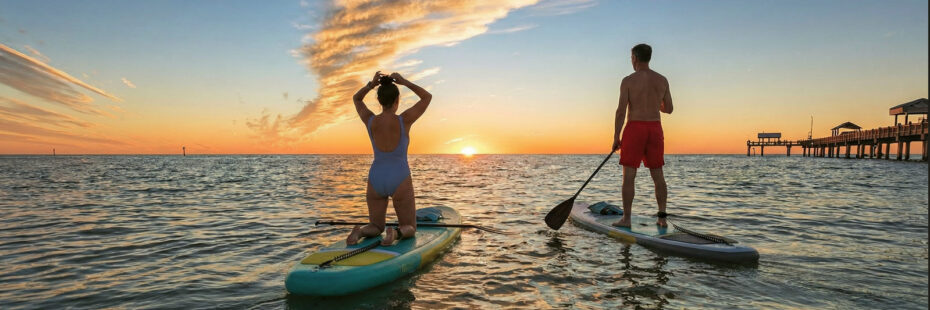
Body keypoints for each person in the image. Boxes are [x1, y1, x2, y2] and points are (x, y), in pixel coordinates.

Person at [346, 71, 432, 246]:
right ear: (397, 100)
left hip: (376, 176)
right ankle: (396, 233)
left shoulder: (370, 120)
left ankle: (360, 231)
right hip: (399, 175)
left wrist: (371, 84)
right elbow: (426, 97)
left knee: (376, 226)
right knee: (410, 226)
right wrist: (405, 82)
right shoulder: (404, 119)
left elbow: (357, 99)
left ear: (379, 101)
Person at [611, 44, 674, 228]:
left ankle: (627, 219)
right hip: (655, 128)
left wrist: (616, 136)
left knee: (629, 176)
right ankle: (662, 219)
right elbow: (669, 109)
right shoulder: (662, 80)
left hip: (634, 128)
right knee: (658, 175)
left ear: (635, 58)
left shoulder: (628, 81)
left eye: (631, 58)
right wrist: (655, 104)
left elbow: (621, 111)